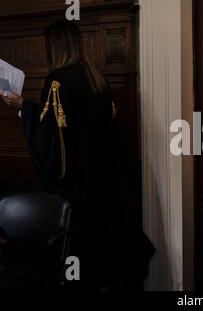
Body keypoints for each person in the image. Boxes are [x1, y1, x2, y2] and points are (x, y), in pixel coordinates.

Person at [0, 19, 155, 290]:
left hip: (75, 191)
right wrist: (27, 107)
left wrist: (22, 107)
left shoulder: (58, 82)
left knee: (73, 268)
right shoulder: (98, 81)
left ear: (55, 47)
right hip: (103, 187)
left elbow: (50, 138)